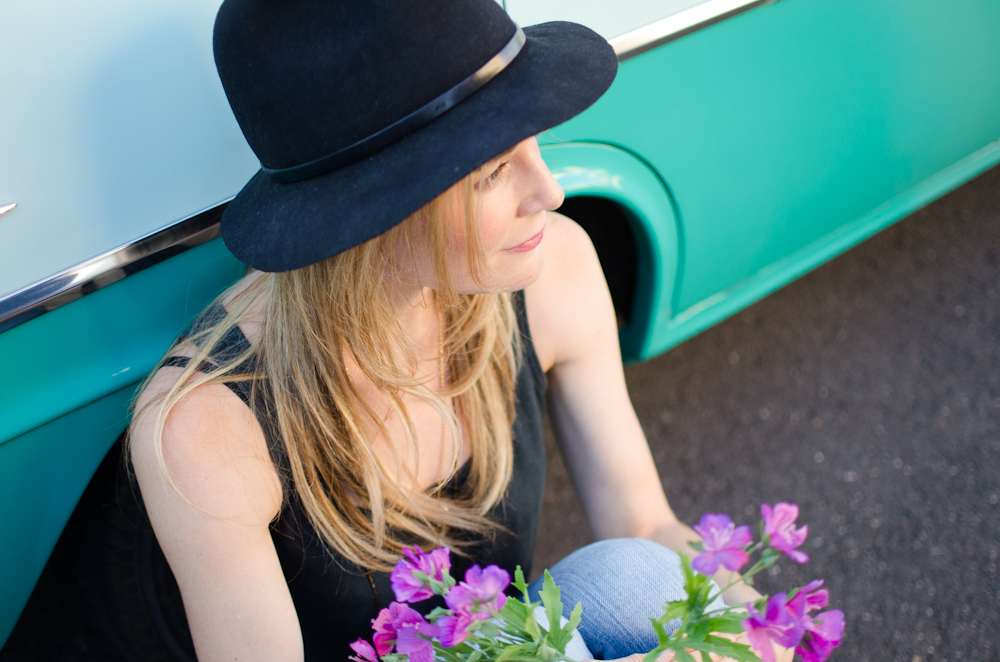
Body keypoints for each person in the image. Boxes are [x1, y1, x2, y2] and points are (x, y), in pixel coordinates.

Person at [128, 0, 786, 660]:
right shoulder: (207, 426)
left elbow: (643, 522)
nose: (550, 191)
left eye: (531, 138)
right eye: (493, 171)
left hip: (497, 641)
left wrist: (758, 630)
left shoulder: (555, 270)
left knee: (640, 576)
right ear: (374, 214)